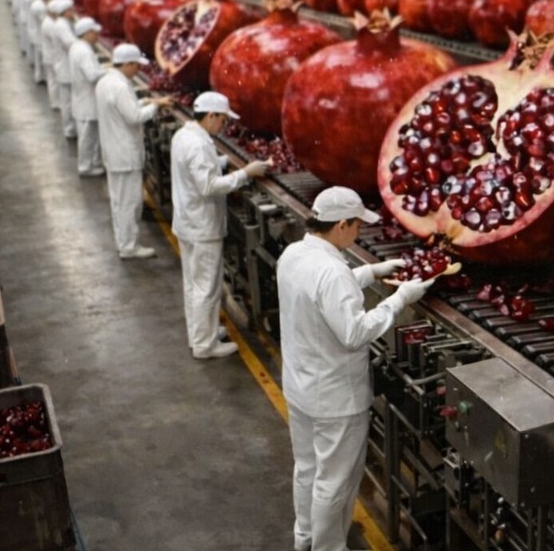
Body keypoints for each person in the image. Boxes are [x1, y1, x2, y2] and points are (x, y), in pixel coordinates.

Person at [276, 187, 433, 551]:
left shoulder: (294, 253)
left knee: (307, 468)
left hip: (300, 388)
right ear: (342, 225)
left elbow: (324, 291)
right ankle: (328, 547)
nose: (359, 233)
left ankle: (305, 537)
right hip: (335, 399)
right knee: (336, 481)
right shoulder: (331, 271)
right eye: (357, 226)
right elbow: (354, 332)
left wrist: (371, 272)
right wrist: (399, 300)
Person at [171, 91, 271, 359]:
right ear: (211, 115)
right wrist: (244, 174)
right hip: (202, 226)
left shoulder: (185, 135)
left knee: (193, 285)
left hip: (187, 222)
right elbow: (208, 185)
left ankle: (201, 334)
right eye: (223, 120)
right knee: (207, 287)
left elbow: (200, 169)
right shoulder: (199, 144)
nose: (224, 126)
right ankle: (206, 346)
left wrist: (227, 163)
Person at [96, 43, 173, 259]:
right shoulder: (120, 86)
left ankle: (125, 242)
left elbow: (122, 108)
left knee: (119, 201)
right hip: (124, 154)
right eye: (136, 66)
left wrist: (146, 101)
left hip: (114, 151)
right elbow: (134, 117)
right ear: (128, 64)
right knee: (129, 202)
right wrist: (156, 107)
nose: (138, 70)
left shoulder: (106, 81)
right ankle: (129, 247)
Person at [67, 17, 107, 176]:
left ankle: (93, 162)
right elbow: (91, 75)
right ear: (87, 33)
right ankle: (85, 166)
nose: (97, 36)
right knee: (87, 136)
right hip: (87, 101)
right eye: (94, 32)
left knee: (90, 135)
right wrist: (109, 71)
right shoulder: (84, 51)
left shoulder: (78, 47)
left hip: (82, 97)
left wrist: (102, 67)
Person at [49, 0, 79, 139]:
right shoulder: (61, 26)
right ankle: (69, 129)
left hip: (65, 67)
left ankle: (71, 128)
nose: (73, 12)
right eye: (71, 10)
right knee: (67, 102)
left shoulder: (64, 23)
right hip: (65, 69)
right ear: (65, 12)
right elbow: (71, 44)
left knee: (68, 100)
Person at [29, 0, 54, 84]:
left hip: (37, 33)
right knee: (40, 58)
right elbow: (44, 21)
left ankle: (40, 76)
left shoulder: (38, 3)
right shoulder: (40, 7)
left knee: (39, 57)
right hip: (39, 35)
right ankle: (40, 77)